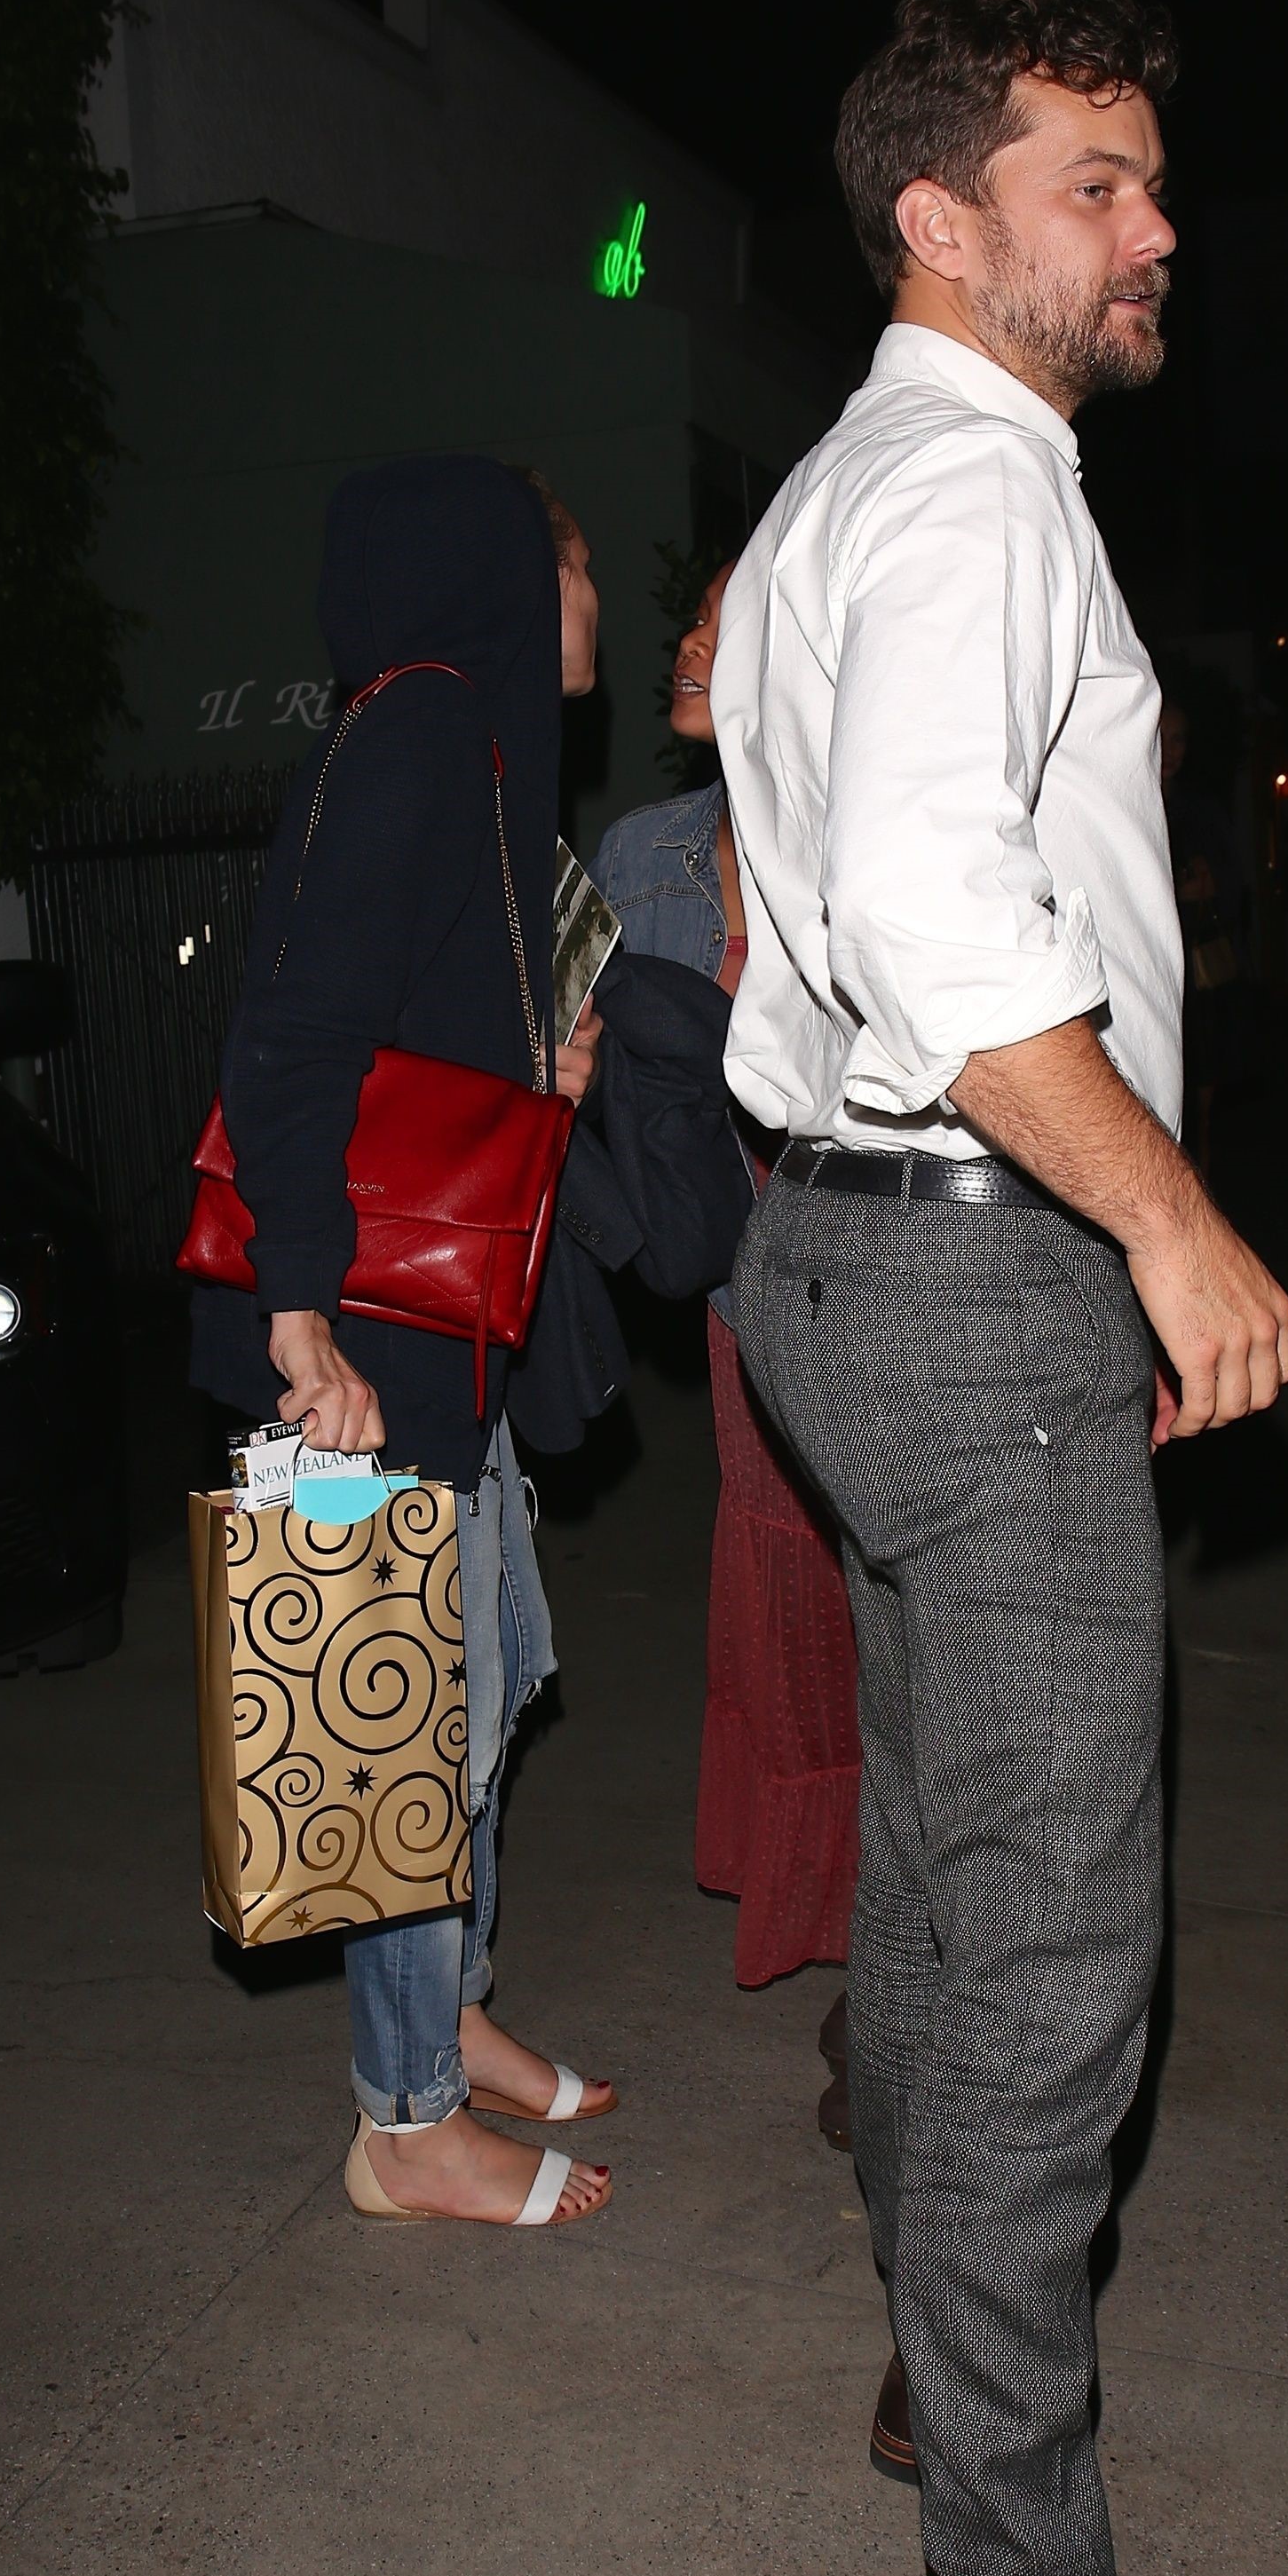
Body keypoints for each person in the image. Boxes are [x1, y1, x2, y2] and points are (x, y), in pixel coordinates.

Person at [716, 0, 1288, 2576]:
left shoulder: (853, 485)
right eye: (1097, 179)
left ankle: (925, 2360)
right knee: (1056, 1965)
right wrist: (1174, 1229)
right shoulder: (959, 486)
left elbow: (754, 750)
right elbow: (944, 923)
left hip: (837, 1265)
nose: (1150, 225)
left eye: (1149, 182)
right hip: (974, 1272)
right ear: (947, 220)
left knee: (963, 1902)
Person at [190, 457, 615, 2233]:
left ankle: (442, 2001)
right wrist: (298, 1310)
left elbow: (414, 1016)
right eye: (576, 574)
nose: (588, 611)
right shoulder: (430, 735)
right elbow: (292, 1033)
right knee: (394, 1731)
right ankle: (405, 2117)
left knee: (493, 1662)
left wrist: (544, 1066)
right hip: (355, 1322)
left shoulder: (466, 753)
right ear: (509, 582)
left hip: (434, 1314)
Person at [591, 567, 863, 2019]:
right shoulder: (638, 853)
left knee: (902, 1627)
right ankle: (857, 1972)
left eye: (722, 624)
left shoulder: (875, 836)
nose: (687, 645)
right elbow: (550, 1049)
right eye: (683, 625)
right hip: (747, 1299)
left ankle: (909, 1973)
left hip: (888, 1272)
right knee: (798, 1624)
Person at [1159, 692, 1253, 1173]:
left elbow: (1229, 880)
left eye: (1179, 740)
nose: (1171, 750)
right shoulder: (1125, 804)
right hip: (1150, 966)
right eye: (1161, 737)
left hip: (1201, 969)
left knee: (1204, 1076)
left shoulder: (1201, 811)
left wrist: (1202, 881)